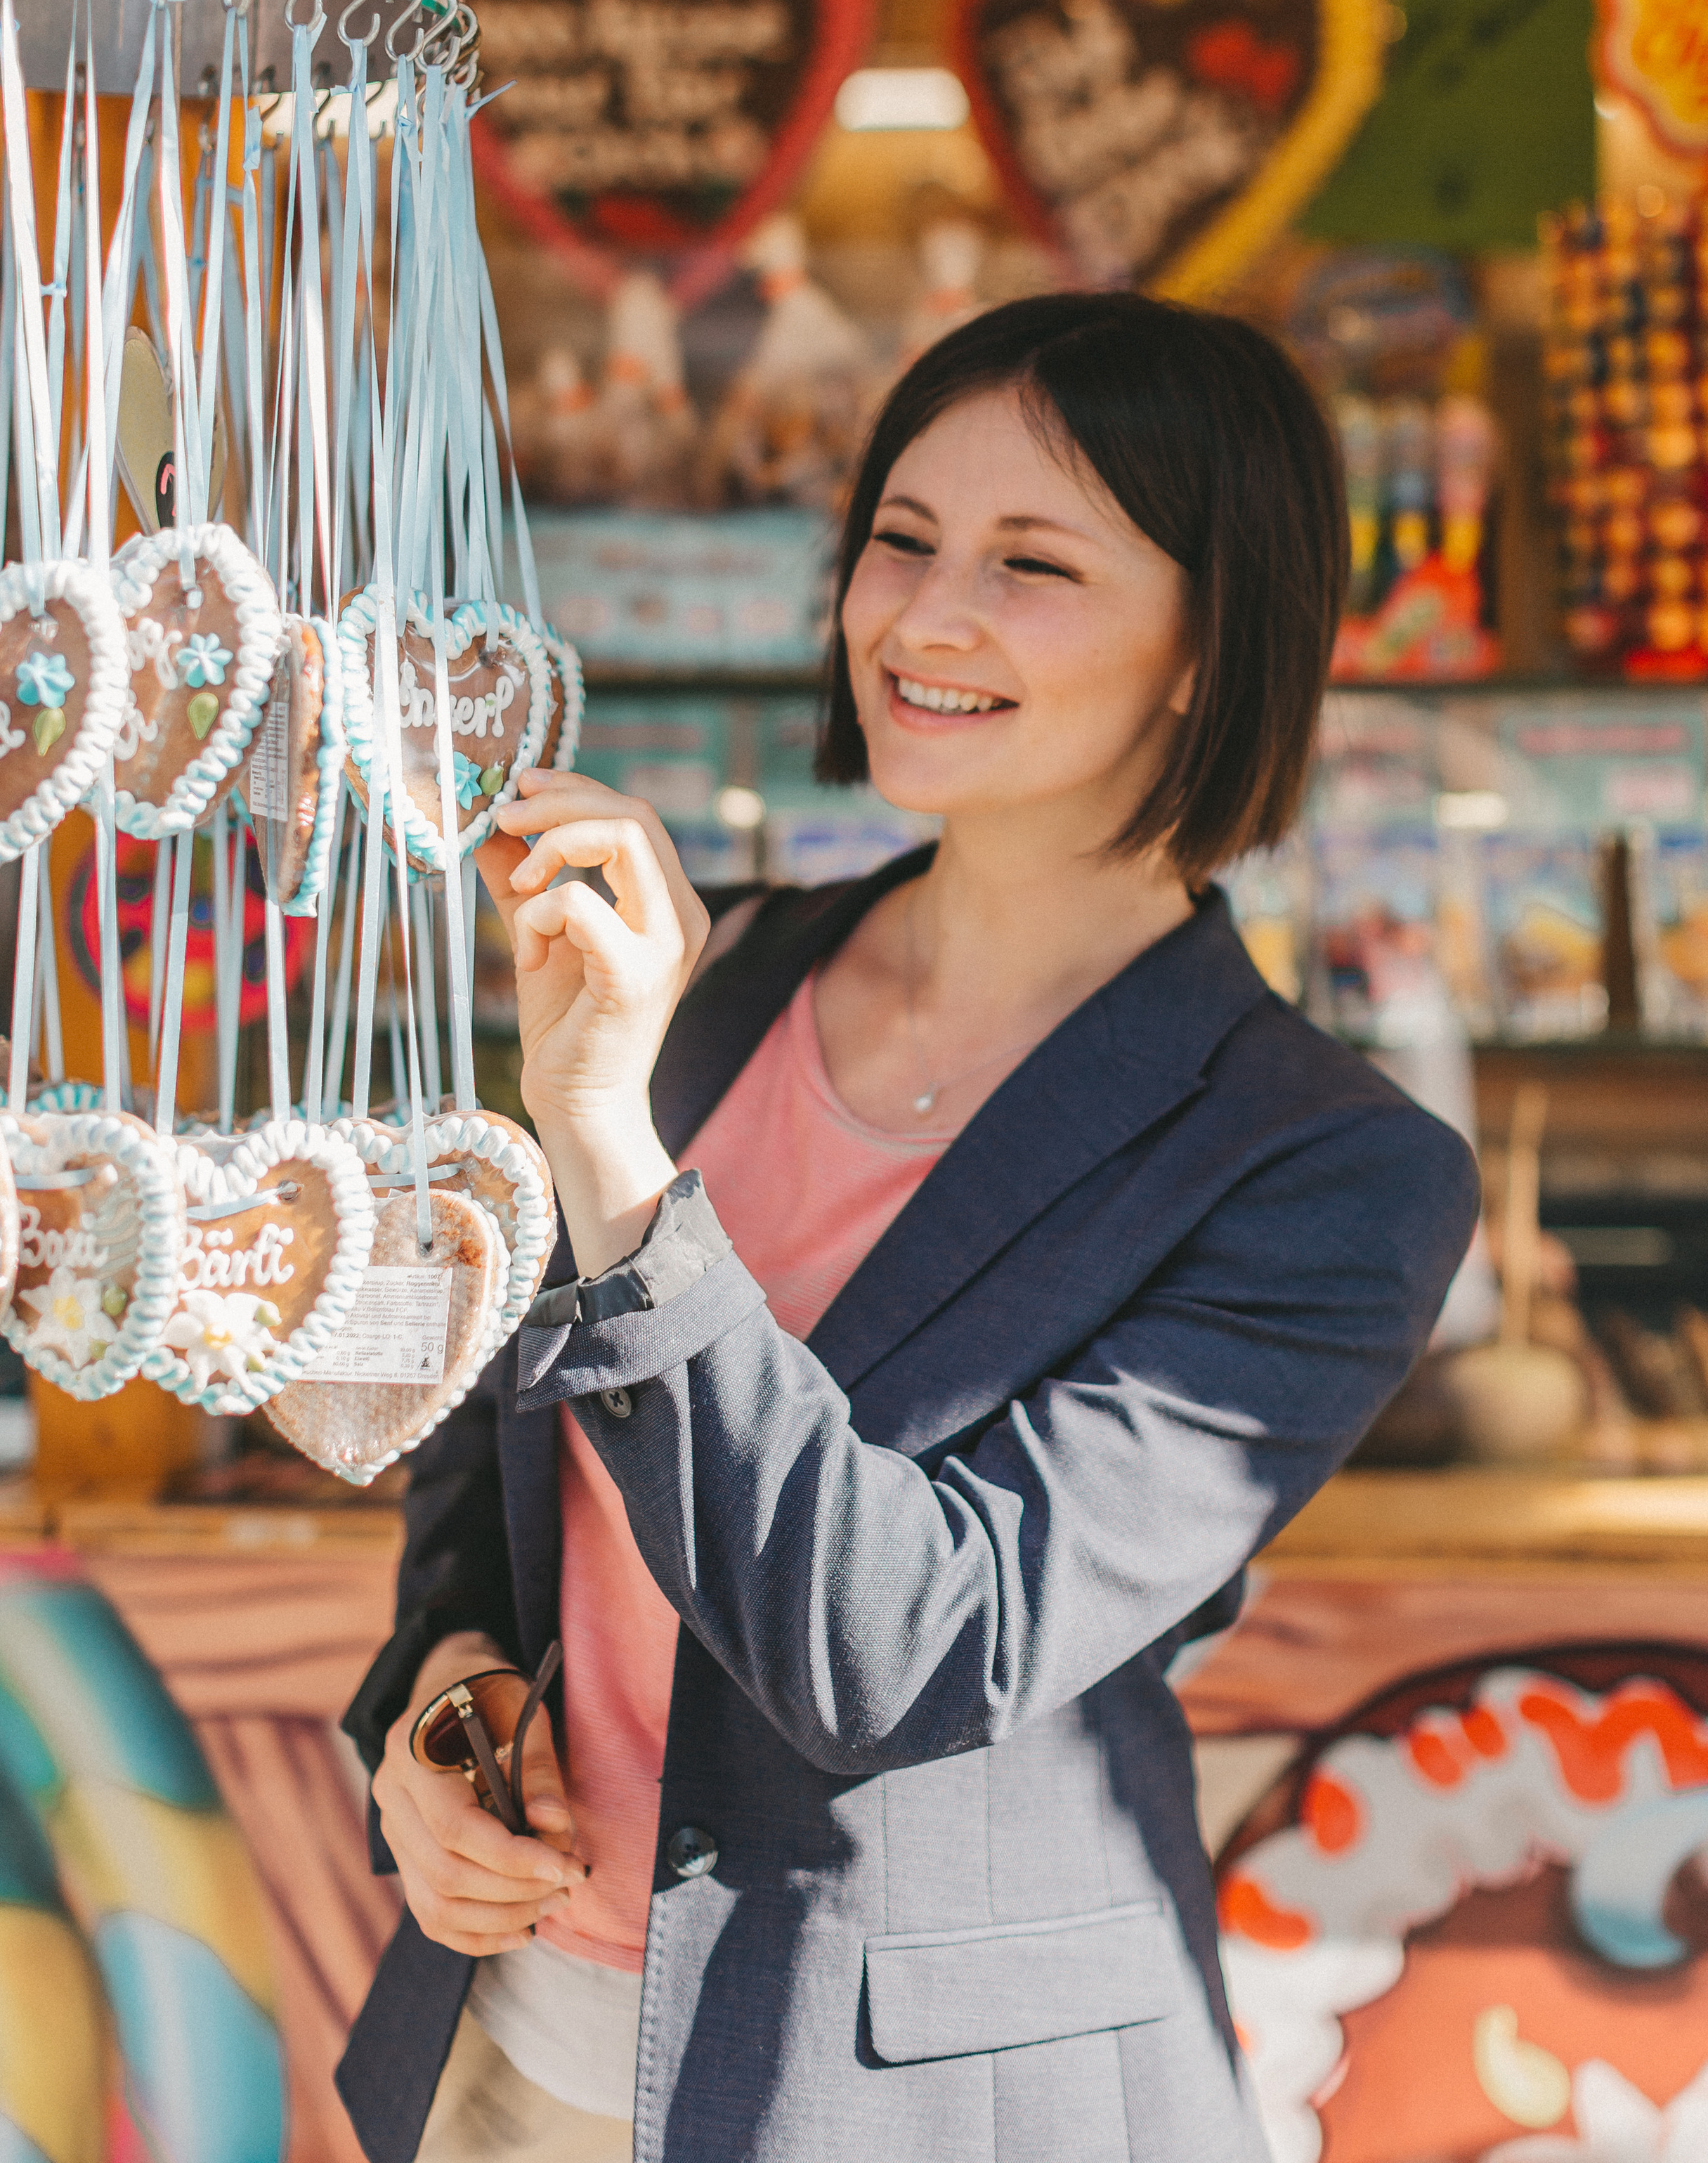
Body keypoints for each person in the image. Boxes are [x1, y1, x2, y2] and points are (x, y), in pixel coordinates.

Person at [339, 292, 1480, 2163]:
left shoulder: (1328, 1171)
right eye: (901, 538)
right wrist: (443, 1712)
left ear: (1214, 639)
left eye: (1035, 564)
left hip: (906, 2107)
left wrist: (617, 1164)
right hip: (515, 2053)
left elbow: (917, 1652)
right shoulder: (707, 978)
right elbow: (503, 1471)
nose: (926, 618)